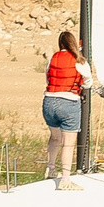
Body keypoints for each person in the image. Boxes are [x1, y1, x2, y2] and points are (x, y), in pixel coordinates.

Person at [41, 31, 91, 185]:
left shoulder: (53, 58)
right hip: (69, 102)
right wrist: (81, 86)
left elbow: (48, 77)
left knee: (55, 137)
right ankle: (65, 179)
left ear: (60, 44)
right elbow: (88, 82)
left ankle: (50, 168)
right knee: (68, 143)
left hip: (49, 102)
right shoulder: (79, 61)